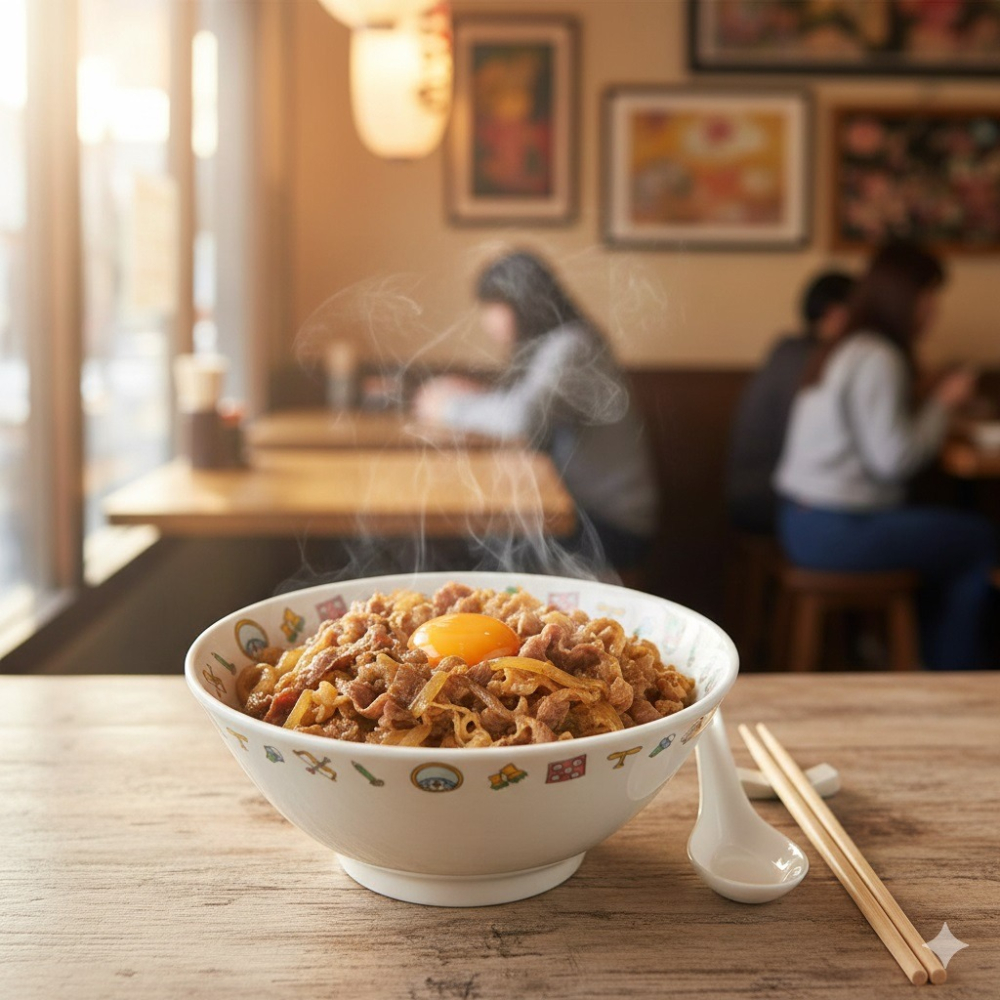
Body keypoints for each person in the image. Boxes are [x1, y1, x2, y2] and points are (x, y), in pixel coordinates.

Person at [774, 241, 996, 670]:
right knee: (979, 538)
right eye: (931, 296)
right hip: (834, 529)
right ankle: (955, 672)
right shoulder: (877, 355)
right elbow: (893, 460)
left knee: (950, 535)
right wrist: (943, 403)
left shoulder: (851, 345)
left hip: (802, 519)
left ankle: (929, 657)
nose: (935, 310)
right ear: (907, 297)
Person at [412, 250, 659, 575]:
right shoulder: (557, 345)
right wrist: (479, 396)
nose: (488, 320)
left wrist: (447, 405)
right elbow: (529, 406)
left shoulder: (573, 345)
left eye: (493, 305)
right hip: (578, 511)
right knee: (485, 538)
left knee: (480, 546)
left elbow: (522, 420)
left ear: (523, 302)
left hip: (611, 523)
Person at [726, 270, 855, 534]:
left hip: (761, 491)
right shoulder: (808, 362)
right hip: (766, 498)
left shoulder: (792, 351)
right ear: (835, 314)